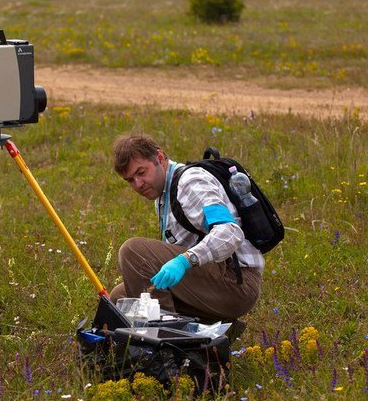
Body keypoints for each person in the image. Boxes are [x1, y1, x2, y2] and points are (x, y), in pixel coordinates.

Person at [109, 133, 263, 336]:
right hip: (216, 279)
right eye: (130, 180)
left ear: (160, 159)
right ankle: (206, 333)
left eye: (141, 172)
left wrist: (185, 260)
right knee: (120, 297)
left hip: (237, 281)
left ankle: (168, 345)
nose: (138, 184)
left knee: (133, 251)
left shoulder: (190, 183)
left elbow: (230, 231)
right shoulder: (163, 193)